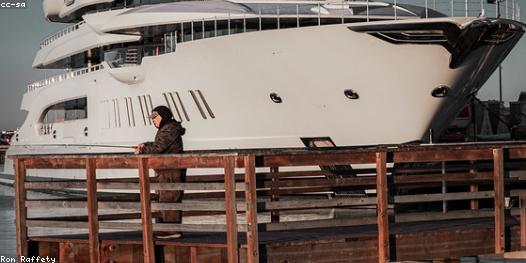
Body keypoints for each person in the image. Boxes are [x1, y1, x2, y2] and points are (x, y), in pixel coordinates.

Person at [135, 105, 186, 239]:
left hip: (170, 170)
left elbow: (158, 148)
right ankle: (168, 229)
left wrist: (143, 150)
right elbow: (158, 144)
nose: (153, 120)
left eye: (155, 117)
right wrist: (144, 145)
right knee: (166, 198)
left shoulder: (169, 129)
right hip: (166, 170)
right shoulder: (167, 128)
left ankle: (172, 231)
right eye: (152, 118)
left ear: (163, 116)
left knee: (169, 199)